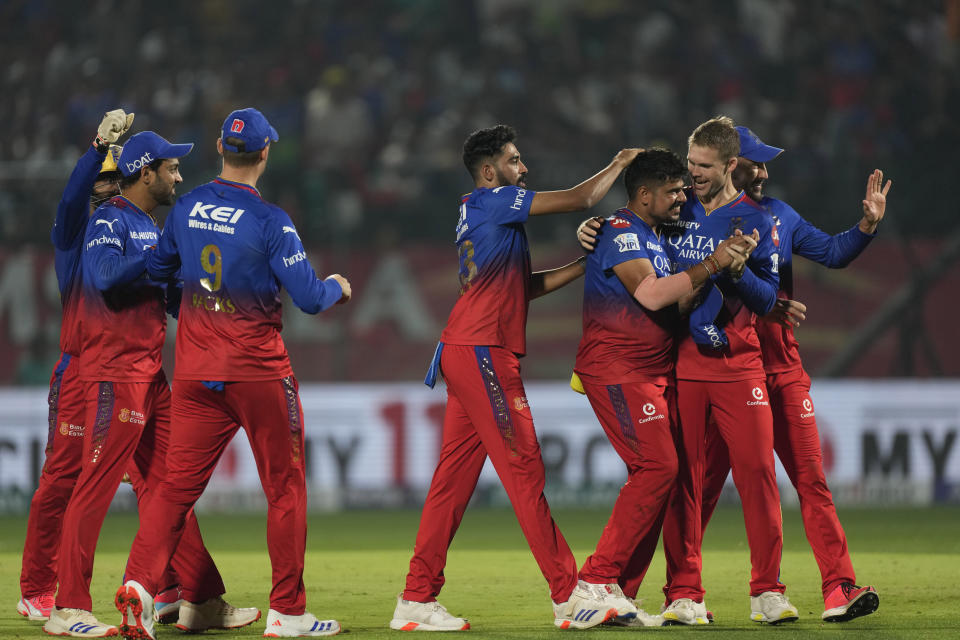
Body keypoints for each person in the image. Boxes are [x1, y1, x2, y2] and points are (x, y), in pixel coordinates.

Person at [390, 124, 641, 632]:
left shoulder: (478, 213)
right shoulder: (494, 201)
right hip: (483, 352)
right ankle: (569, 595)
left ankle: (416, 598)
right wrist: (619, 163)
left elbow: (519, 288)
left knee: (452, 483)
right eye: (514, 160)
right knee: (524, 469)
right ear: (490, 172)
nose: (523, 170)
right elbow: (581, 198)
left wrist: (580, 263)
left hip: (466, 348)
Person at [115, 108, 351, 640]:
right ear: (265, 153)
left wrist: (193, 303)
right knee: (285, 490)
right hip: (259, 374)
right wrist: (338, 284)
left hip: (196, 372)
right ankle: (288, 612)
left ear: (222, 148)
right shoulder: (272, 221)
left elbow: (158, 273)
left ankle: (139, 587)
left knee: (174, 491)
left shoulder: (187, 207)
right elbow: (311, 299)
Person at [46, 131, 259, 638]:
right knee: (93, 489)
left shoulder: (148, 225)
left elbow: (167, 299)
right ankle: (68, 607)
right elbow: (102, 276)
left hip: (151, 377)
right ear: (146, 173)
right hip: (114, 373)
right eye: (171, 169)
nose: (179, 177)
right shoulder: (109, 220)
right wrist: (161, 260)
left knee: (172, 490)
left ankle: (201, 599)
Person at [695, 126, 889, 622]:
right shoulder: (689, 216)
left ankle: (837, 589)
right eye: (753, 164)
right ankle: (682, 590)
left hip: (781, 371)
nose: (763, 172)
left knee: (811, 481)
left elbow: (832, 253)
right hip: (727, 373)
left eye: (764, 165)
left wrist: (865, 226)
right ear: (730, 165)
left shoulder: (779, 216)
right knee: (703, 487)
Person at [572, 149, 753, 627]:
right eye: (672, 191)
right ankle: (594, 582)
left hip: (652, 372)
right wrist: (712, 264)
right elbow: (651, 293)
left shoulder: (654, 234)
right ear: (644, 194)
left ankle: (618, 592)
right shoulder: (621, 229)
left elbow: (673, 296)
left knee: (665, 474)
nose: (681, 197)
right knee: (658, 466)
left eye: (683, 188)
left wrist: (720, 267)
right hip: (617, 370)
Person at [656, 115, 797, 626]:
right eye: (690, 162)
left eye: (703, 166)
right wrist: (594, 229)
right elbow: (630, 234)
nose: (692, 173)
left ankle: (767, 593)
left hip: (741, 368)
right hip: (685, 367)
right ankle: (684, 594)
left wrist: (738, 269)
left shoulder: (758, 220)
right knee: (685, 482)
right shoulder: (674, 210)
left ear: (731, 165)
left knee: (758, 475)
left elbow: (767, 302)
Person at [18, 110, 133, 624]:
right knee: (62, 479)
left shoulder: (133, 228)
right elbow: (68, 198)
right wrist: (96, 148)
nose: (108, 187)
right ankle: (37, 587)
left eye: (115, 177)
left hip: (126, 370)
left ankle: (173, 587)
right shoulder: (73, 233)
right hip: (80, 370)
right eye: (101, 178)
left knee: (140, 482)